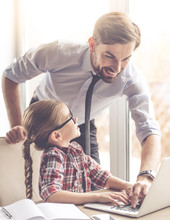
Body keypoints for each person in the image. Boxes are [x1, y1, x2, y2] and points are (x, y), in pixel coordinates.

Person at [2, 12, 161, 207]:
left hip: (81, 124)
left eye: (126, 59)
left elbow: (148, 128)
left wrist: (144, 178)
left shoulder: (131, 79)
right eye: (109, 56)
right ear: (92, 44)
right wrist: (18, 125)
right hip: (43, 117)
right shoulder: (58, 52)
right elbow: (11, 76)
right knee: (29, 187)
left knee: (91, 188)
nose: (117, 68)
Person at [23, 100, 132, 205]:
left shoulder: (75, 150)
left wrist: (129, 187)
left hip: (81, 213)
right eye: (69, 117)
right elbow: (52, 195)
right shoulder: (53, 156)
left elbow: (101, 176)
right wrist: (97, 197)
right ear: (57, 136)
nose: (75, 119)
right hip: (64, 219)